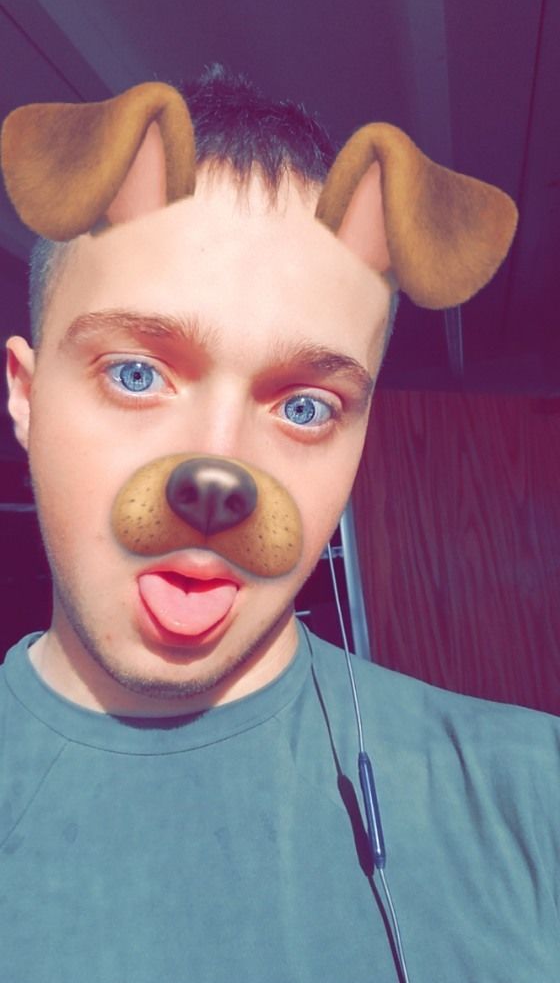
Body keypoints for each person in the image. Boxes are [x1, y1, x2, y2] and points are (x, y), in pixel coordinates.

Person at [0, 66, 558, 983]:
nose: (218, 473)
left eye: (304, 407)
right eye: (136, 374)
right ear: (25, 395)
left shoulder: (534, 797)